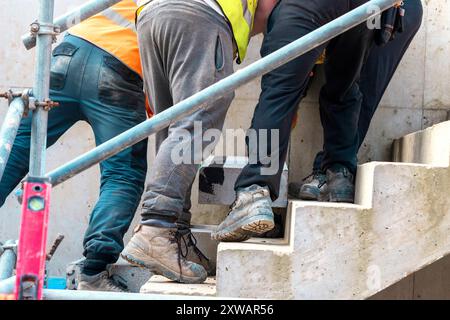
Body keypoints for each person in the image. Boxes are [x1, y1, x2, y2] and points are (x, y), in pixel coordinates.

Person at [121, 0, 276, 284]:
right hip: (201, 16)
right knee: (196, 124)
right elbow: (266, 7)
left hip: (151, 15)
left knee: (172, 129)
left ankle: (175, 235)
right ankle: (155, 229)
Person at [1, 0, 149, 292]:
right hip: (120, 67)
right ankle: (93, 272)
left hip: (68, 53)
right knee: (123, 174)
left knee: (14, 150)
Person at [212, 0, 379, 242]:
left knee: (279, 93)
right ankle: (339, 175)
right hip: (366, 7)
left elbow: (266, 6)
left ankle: (254, 191)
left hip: (303, 6)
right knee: (345, 89)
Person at [289, 0, 424, 201]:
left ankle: (331, 173)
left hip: (385, 11)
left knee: (350, 88)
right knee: (359, 90)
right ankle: (335, 175)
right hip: (396, 9)